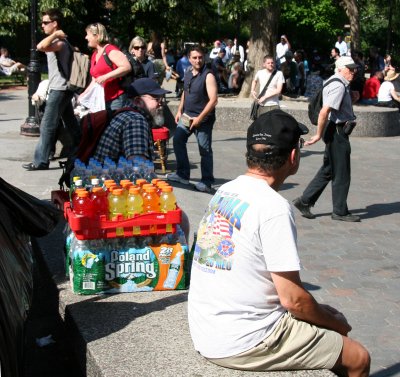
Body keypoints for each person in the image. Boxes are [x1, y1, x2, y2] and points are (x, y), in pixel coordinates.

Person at [188, 109, 370, 376]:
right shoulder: (273, 207)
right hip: (243, 340)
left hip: (208, 328)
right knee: (358, 357)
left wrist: (318, 312)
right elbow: (293, 300)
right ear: (294, 157)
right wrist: (335, 323)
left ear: (248, 155)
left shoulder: (227, 190)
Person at [293, 56, 360, 222]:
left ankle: (304, 201)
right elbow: (324, 111)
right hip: (337, 132)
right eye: (349, 68)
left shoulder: (336, 81)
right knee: (342, 172)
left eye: (354, 68)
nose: (353, 71)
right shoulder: (338, 85)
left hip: (334, 130)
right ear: (339, 69)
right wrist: (317, 134)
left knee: (329, 169)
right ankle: (339, 211)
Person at [22, 8, 81, 171]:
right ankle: (84, 149)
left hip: (60, 89)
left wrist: (55, 34)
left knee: (47, 124)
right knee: (71, 123)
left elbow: (40, 47)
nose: (42, 25)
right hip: (62, 88)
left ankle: (40, 161)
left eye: (46, 22)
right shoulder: (60, 42)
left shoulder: (60, 43)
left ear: (55, 24)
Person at [167, 46, 218, 193]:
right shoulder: (188, 72)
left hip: (203, 119)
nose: (198, 60)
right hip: (187, 116)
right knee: (177, 140)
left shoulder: (208, 75)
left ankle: (206, 182)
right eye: (194, 57)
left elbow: (214, 100)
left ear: (204, 58)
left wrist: (199, 119)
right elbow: (185, 92)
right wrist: (179, 110)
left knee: (205, 150)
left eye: (200, 57)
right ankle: (182, 174)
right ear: (189, 58)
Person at [93, 78, 170, 163]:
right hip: (112, 175)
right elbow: (137, 165)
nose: (161, 103)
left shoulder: (127, 114)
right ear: (138, 101)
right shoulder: (136, 121)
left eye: (162, 99)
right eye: (156, 99)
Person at [78, 23, 131, 111]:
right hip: (101, 100)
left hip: (116, 99)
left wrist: (105, 77)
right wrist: (84, 94)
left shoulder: (110, 50)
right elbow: (95, 80)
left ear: (97, 36)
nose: (86, 37)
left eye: (88, 34)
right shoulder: (95, 54)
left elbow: (126, 67)